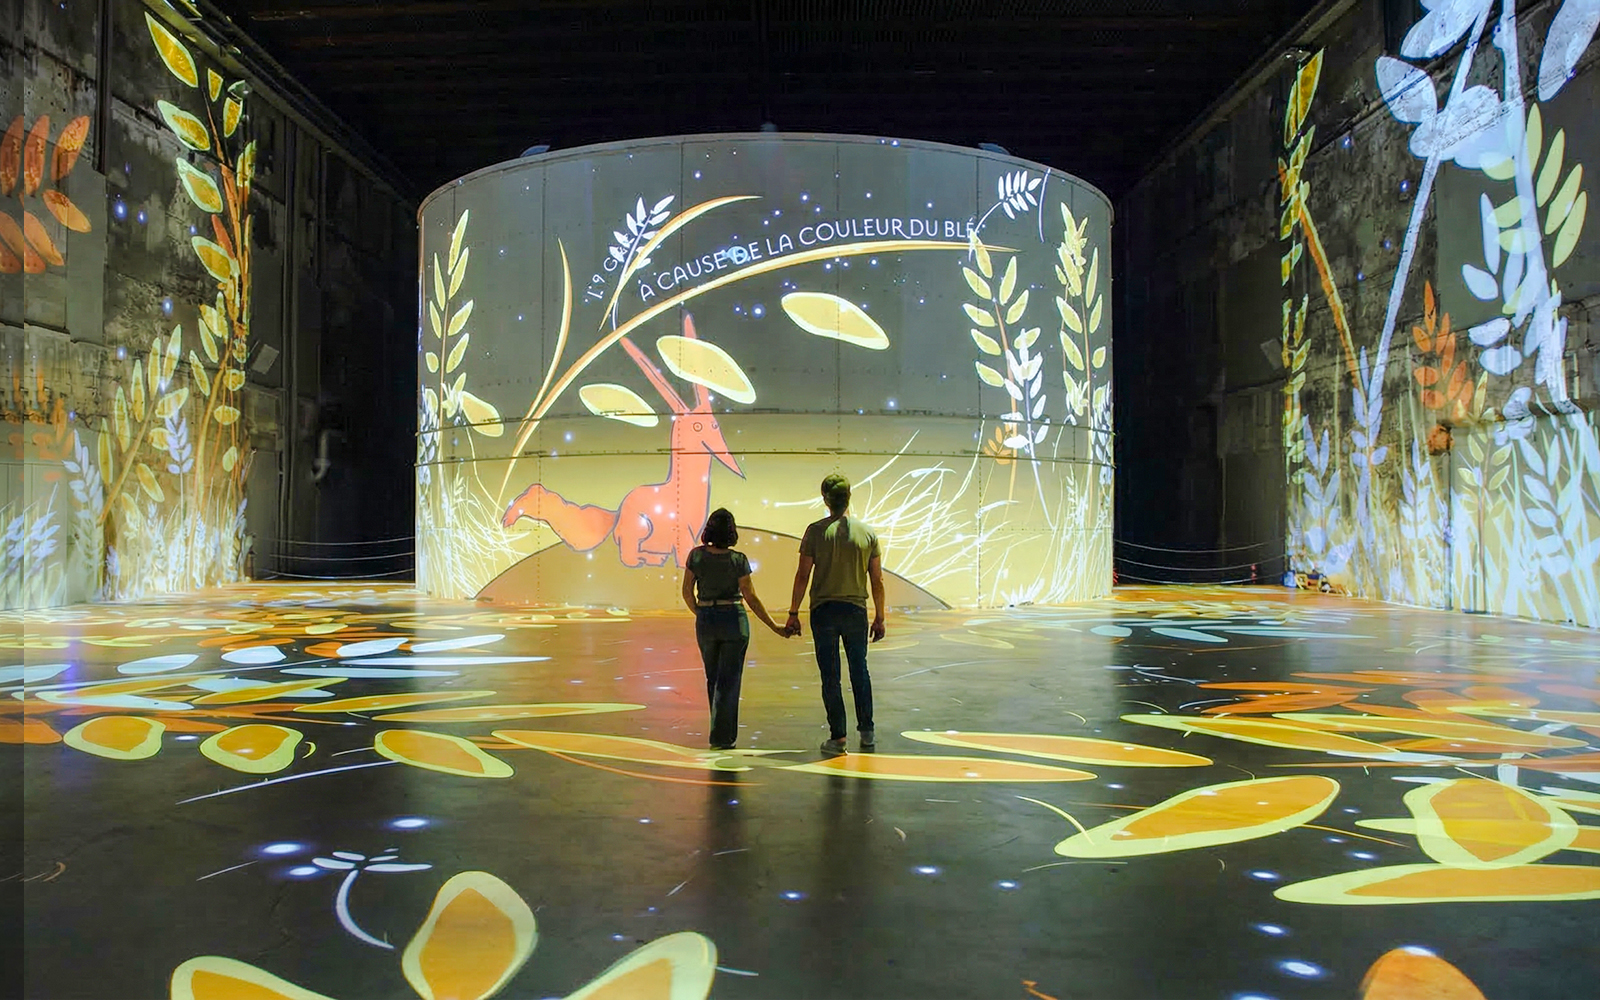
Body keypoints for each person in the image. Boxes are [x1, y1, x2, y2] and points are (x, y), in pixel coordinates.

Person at [786, 474, 885, 756]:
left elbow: (803, 575)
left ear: (825, 499)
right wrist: (880, 616)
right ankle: (867, 734)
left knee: (831, 676)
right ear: (849, 497)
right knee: (860, 672)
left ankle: (838, 739)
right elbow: (877, 580)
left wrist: (793, 612)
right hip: (855, 611)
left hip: (824, 612)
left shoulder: (815, 532)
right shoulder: (867, 533)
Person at [681, 508, 787, 750]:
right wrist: (773, 625)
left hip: (707, 620)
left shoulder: (696, 557)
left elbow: (687, 592)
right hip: (734, 621)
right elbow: (750, 597)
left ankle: (719, 732)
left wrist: (702, 613)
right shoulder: (738, 560)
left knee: (713, 678)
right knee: (729, 681)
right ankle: (723, 737)